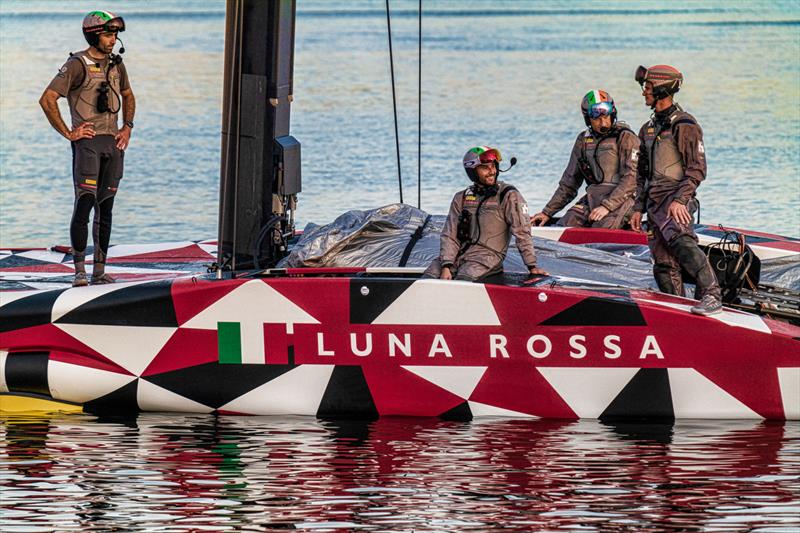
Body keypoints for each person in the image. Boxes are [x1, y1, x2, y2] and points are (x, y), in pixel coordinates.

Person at [39, 10, 135, 287]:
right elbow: (47, 99)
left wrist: (127, 126)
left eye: (115, 34)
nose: (113, 39)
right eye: (108, 34)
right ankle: (79, 272)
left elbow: (128, 95)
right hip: (88, 145)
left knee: (107, 209)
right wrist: (70, 133)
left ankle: (99, 271)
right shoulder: (76, 64)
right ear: (93, 35)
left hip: (113, 144)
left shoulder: (117, 64)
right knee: (85, 205)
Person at [630, 64, 722, 316]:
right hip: (654, 203)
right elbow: (641, 174)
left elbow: (697, 169)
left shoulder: (685, 124)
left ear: (662, 88)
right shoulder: (647, 129)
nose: (644, 93)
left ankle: (713, 295)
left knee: (682, 244)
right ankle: (677, 309)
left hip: (675, 198)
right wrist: (638, 208)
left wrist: (681, 200)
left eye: (647, 87)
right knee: (662, 262)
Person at [424, 146, 547, 281]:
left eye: (493, 166)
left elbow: (522, 232)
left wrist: (532, 266)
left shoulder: (509, 195)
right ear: (472, 172)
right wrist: (446, 265)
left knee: (464, 278)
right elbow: (450, 235)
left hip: (488, 257)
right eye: (485, 167)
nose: (492, 171)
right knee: (428, 277)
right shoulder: (461, 198)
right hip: (459, 256)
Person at [531, 90, 639, 229]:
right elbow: (569, 183)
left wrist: (607, 206)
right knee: (563, 226)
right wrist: (547, 212)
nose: (603, 122)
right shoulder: (583, 140)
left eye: (606, 116)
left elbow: (632, 178)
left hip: (621, 201)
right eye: (596, 118)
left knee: (600, 231)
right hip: (591, 199)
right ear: (588, 119)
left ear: (612, 113)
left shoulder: (626, 137)